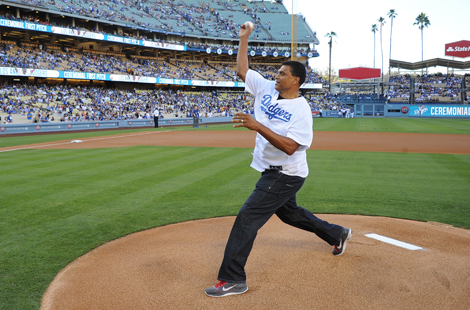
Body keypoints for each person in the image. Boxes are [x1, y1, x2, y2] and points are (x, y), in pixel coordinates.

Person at [205, 21, 352, 298]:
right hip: (271, 171)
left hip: (287, 173)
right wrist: (243, 39)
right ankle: (337, 234)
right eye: (277, 72)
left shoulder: (301, 109)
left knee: (247, 217)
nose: (277, 76)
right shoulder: (265, 90)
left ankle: (233, 279)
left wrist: (258, 126)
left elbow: (291, 147)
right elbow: (242, 70)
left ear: (295, 80)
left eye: (283, 73)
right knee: (290, 214)